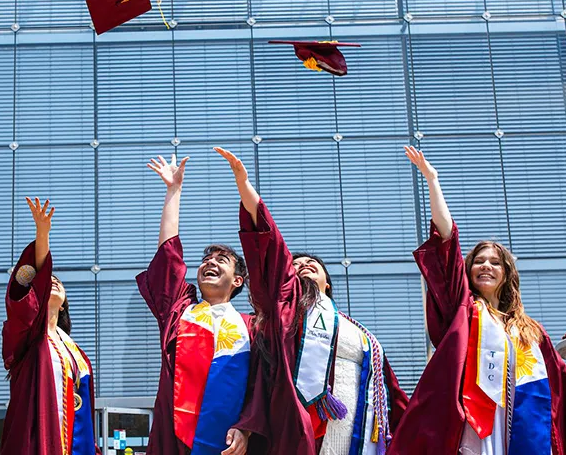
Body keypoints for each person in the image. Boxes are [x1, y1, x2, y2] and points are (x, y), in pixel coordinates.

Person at [389, 146, 566, 455]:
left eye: (494, 262)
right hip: (476, 424)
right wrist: (432, 179)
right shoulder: (464, 310)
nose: (486, 266)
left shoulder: (530, 331)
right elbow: (447, 239)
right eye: (479, 261)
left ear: (506, 274)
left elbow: (563, 386)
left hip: (522, 422)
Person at [215, 147, 407, 455]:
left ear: (327, 284)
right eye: (296, 263)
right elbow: (271, 244)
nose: (303, 265)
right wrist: (244, 186)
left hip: (357, 428)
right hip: (303, 426)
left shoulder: (357, 331)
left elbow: (389, 389)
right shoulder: (285, 308)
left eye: (312, 264)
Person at [137, 155, 262, 454]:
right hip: (176, 438)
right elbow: (168, 258)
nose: (210, 263)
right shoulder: (181, 311)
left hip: (229, 443)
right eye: (207, 259)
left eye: (222, 260)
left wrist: (247, 428)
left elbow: (261, 387)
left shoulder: (253, 326)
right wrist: (173, 192)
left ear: (238, 281)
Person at [2, 198, 97, 455]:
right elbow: (33, 280)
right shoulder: (28, 333)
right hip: (38, 442)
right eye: (48, 281)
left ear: (65, 303)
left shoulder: (75, 351)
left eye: (59, 283)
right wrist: (42, 234)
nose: (53, 282)